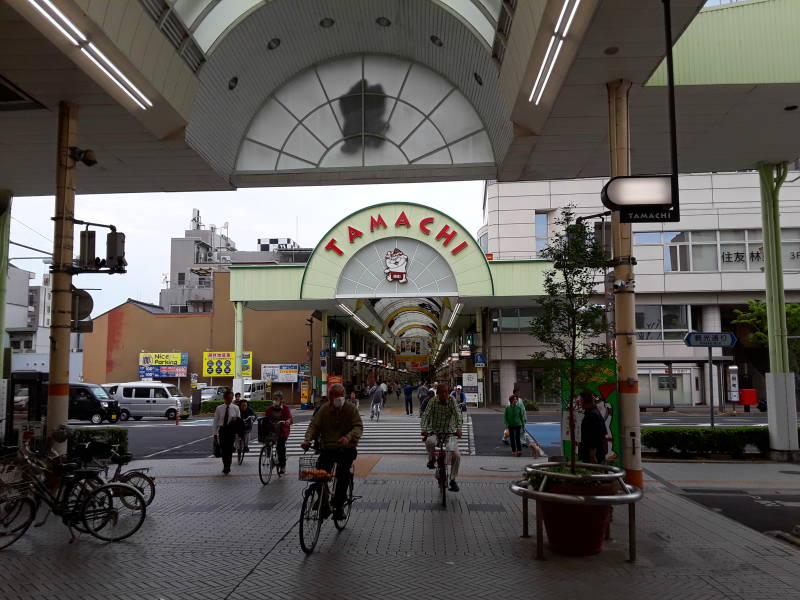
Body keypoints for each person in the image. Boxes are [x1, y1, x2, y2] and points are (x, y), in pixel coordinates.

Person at [301, 383, 363, 520]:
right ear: (329, 398)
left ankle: (339, 506)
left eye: (340, 396)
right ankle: (324, 502)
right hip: (327, 448)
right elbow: (314, 426)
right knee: (319, 475)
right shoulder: (324, 410)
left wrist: (348, 437)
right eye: (334, 397)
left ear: (344, 396)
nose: (337, 399)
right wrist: (307, 440)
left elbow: (358, 426)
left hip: (346, 449)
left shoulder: (350, 409)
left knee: (343, 474)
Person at [420, 383, 463, 492]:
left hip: (450, 432)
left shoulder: (452, 401)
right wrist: (424, 429)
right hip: (435, 431)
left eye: (446, 393)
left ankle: (452, 479)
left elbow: (458, 415)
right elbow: (426, 415)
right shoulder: (433, 401)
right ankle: (431, 459)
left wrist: (458, 429)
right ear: (437, 394)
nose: (444, 395)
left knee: (456, 455)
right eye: (442, 393)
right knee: (429, 442)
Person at [264, 391, 293, 474]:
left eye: (277, 399)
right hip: (272, 430)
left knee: (280, 448)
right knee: (267, 445)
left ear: (281, 400)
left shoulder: (285, 408)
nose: (275, 400)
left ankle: (282, 466)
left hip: (282, 430)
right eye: (274, 399)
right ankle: (271, 459)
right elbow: (266, 418)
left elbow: (289, 418)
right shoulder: (270, 409)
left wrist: (287, 421)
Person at [213, 391, 241, 474]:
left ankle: (227, 466)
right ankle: (225, 464)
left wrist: (236, 420)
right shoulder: (219, 408)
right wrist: (214, 433)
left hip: (231, 430)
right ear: (224, 398)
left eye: (231, 398)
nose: (230, 400)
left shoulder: (236, 408)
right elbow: (215, 421)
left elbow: (239, 420)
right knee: (223, 448)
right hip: (222, 430)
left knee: (229, 449)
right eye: (228, 398)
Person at [579, 391, 607, 464]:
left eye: (581, 400)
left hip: (593, 453)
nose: (580, 403)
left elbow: (594, 437)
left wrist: (592, 455)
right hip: (596, 451)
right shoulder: (593, 412)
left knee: (593, 472)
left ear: (585, 401)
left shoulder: (592, 415)